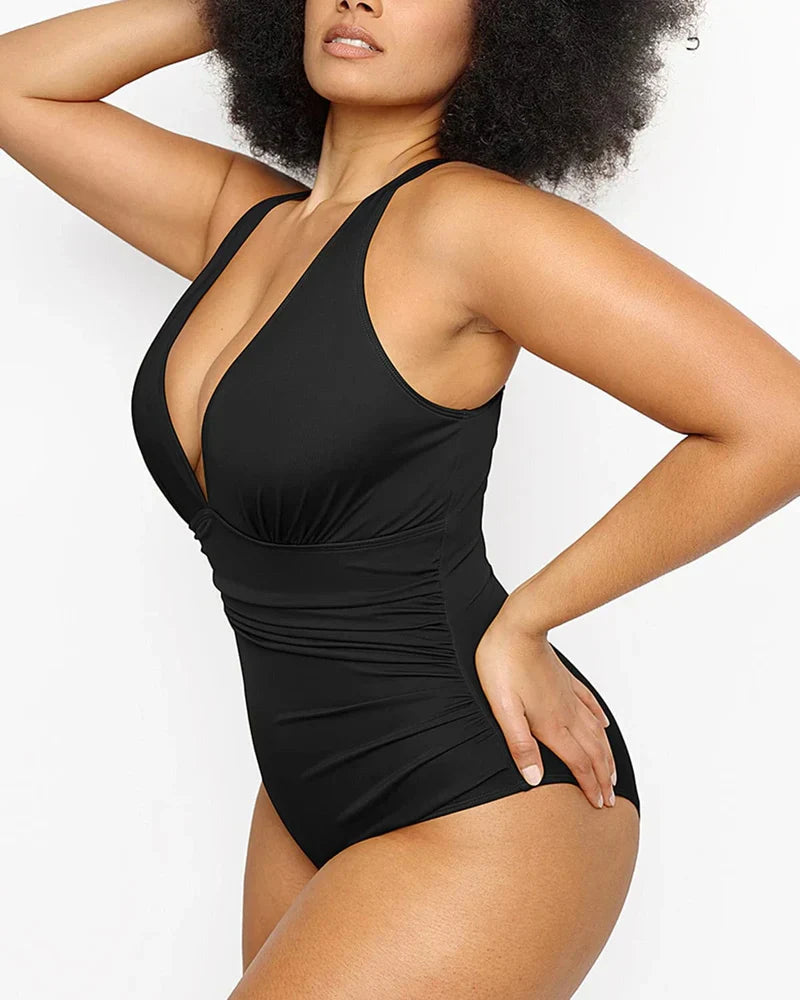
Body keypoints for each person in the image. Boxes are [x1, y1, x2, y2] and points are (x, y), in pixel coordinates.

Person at [2, 1, 799, 997]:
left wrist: (530, 616)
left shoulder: (469, 226)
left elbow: (778, 420)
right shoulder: (244, 224)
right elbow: (16, 85)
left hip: (476, 786)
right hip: (298, 792)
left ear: (505, 27)